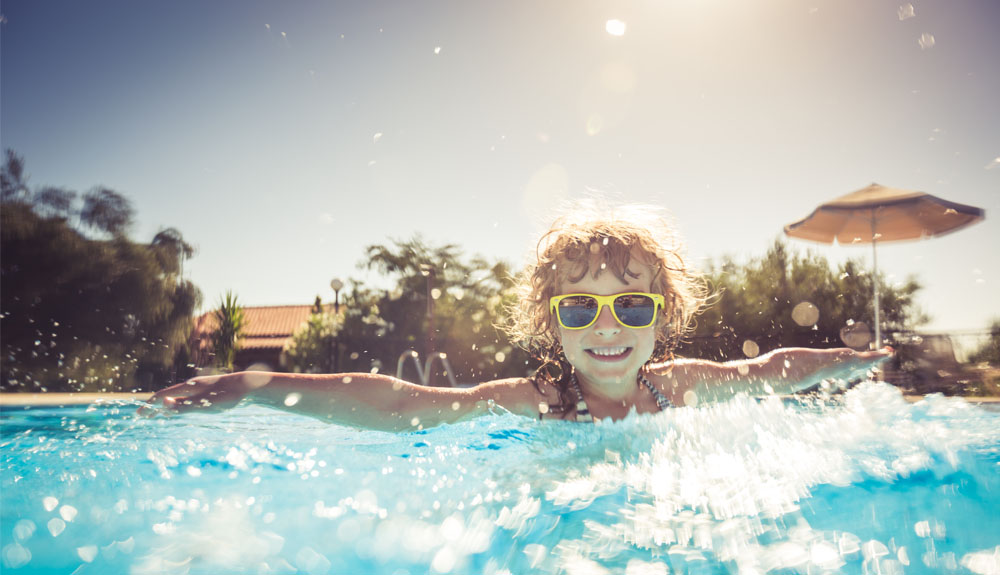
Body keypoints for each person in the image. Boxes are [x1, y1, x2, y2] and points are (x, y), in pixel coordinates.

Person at [142, 203, 890, 430]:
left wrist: (856, 361)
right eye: (580, 305)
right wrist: (254, 380)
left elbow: (768, 372)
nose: (607, 325)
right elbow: (402, 402)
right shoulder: (533, 402)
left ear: (661, 318)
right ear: (552, 321)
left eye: (631, 304)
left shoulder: (680, 387)